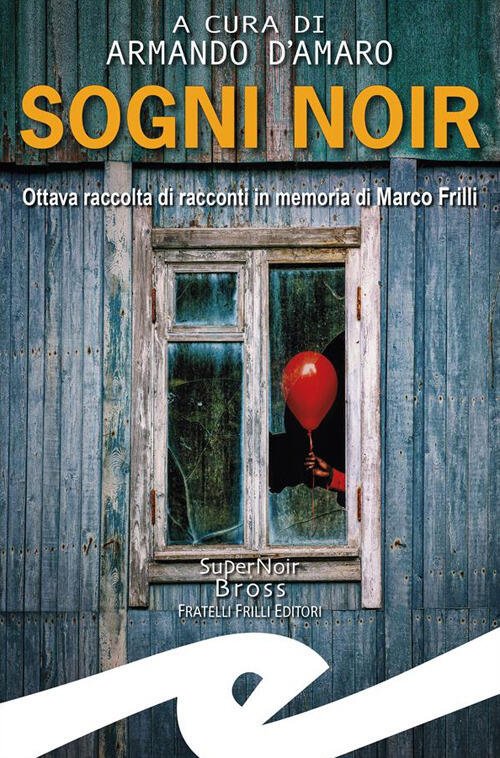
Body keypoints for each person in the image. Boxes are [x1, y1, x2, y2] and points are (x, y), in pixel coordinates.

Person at [269, 330, 346, 507]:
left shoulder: (305, 420)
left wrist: (334, 478)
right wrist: (333, 478)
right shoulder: (298, 419)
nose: (309, 485)